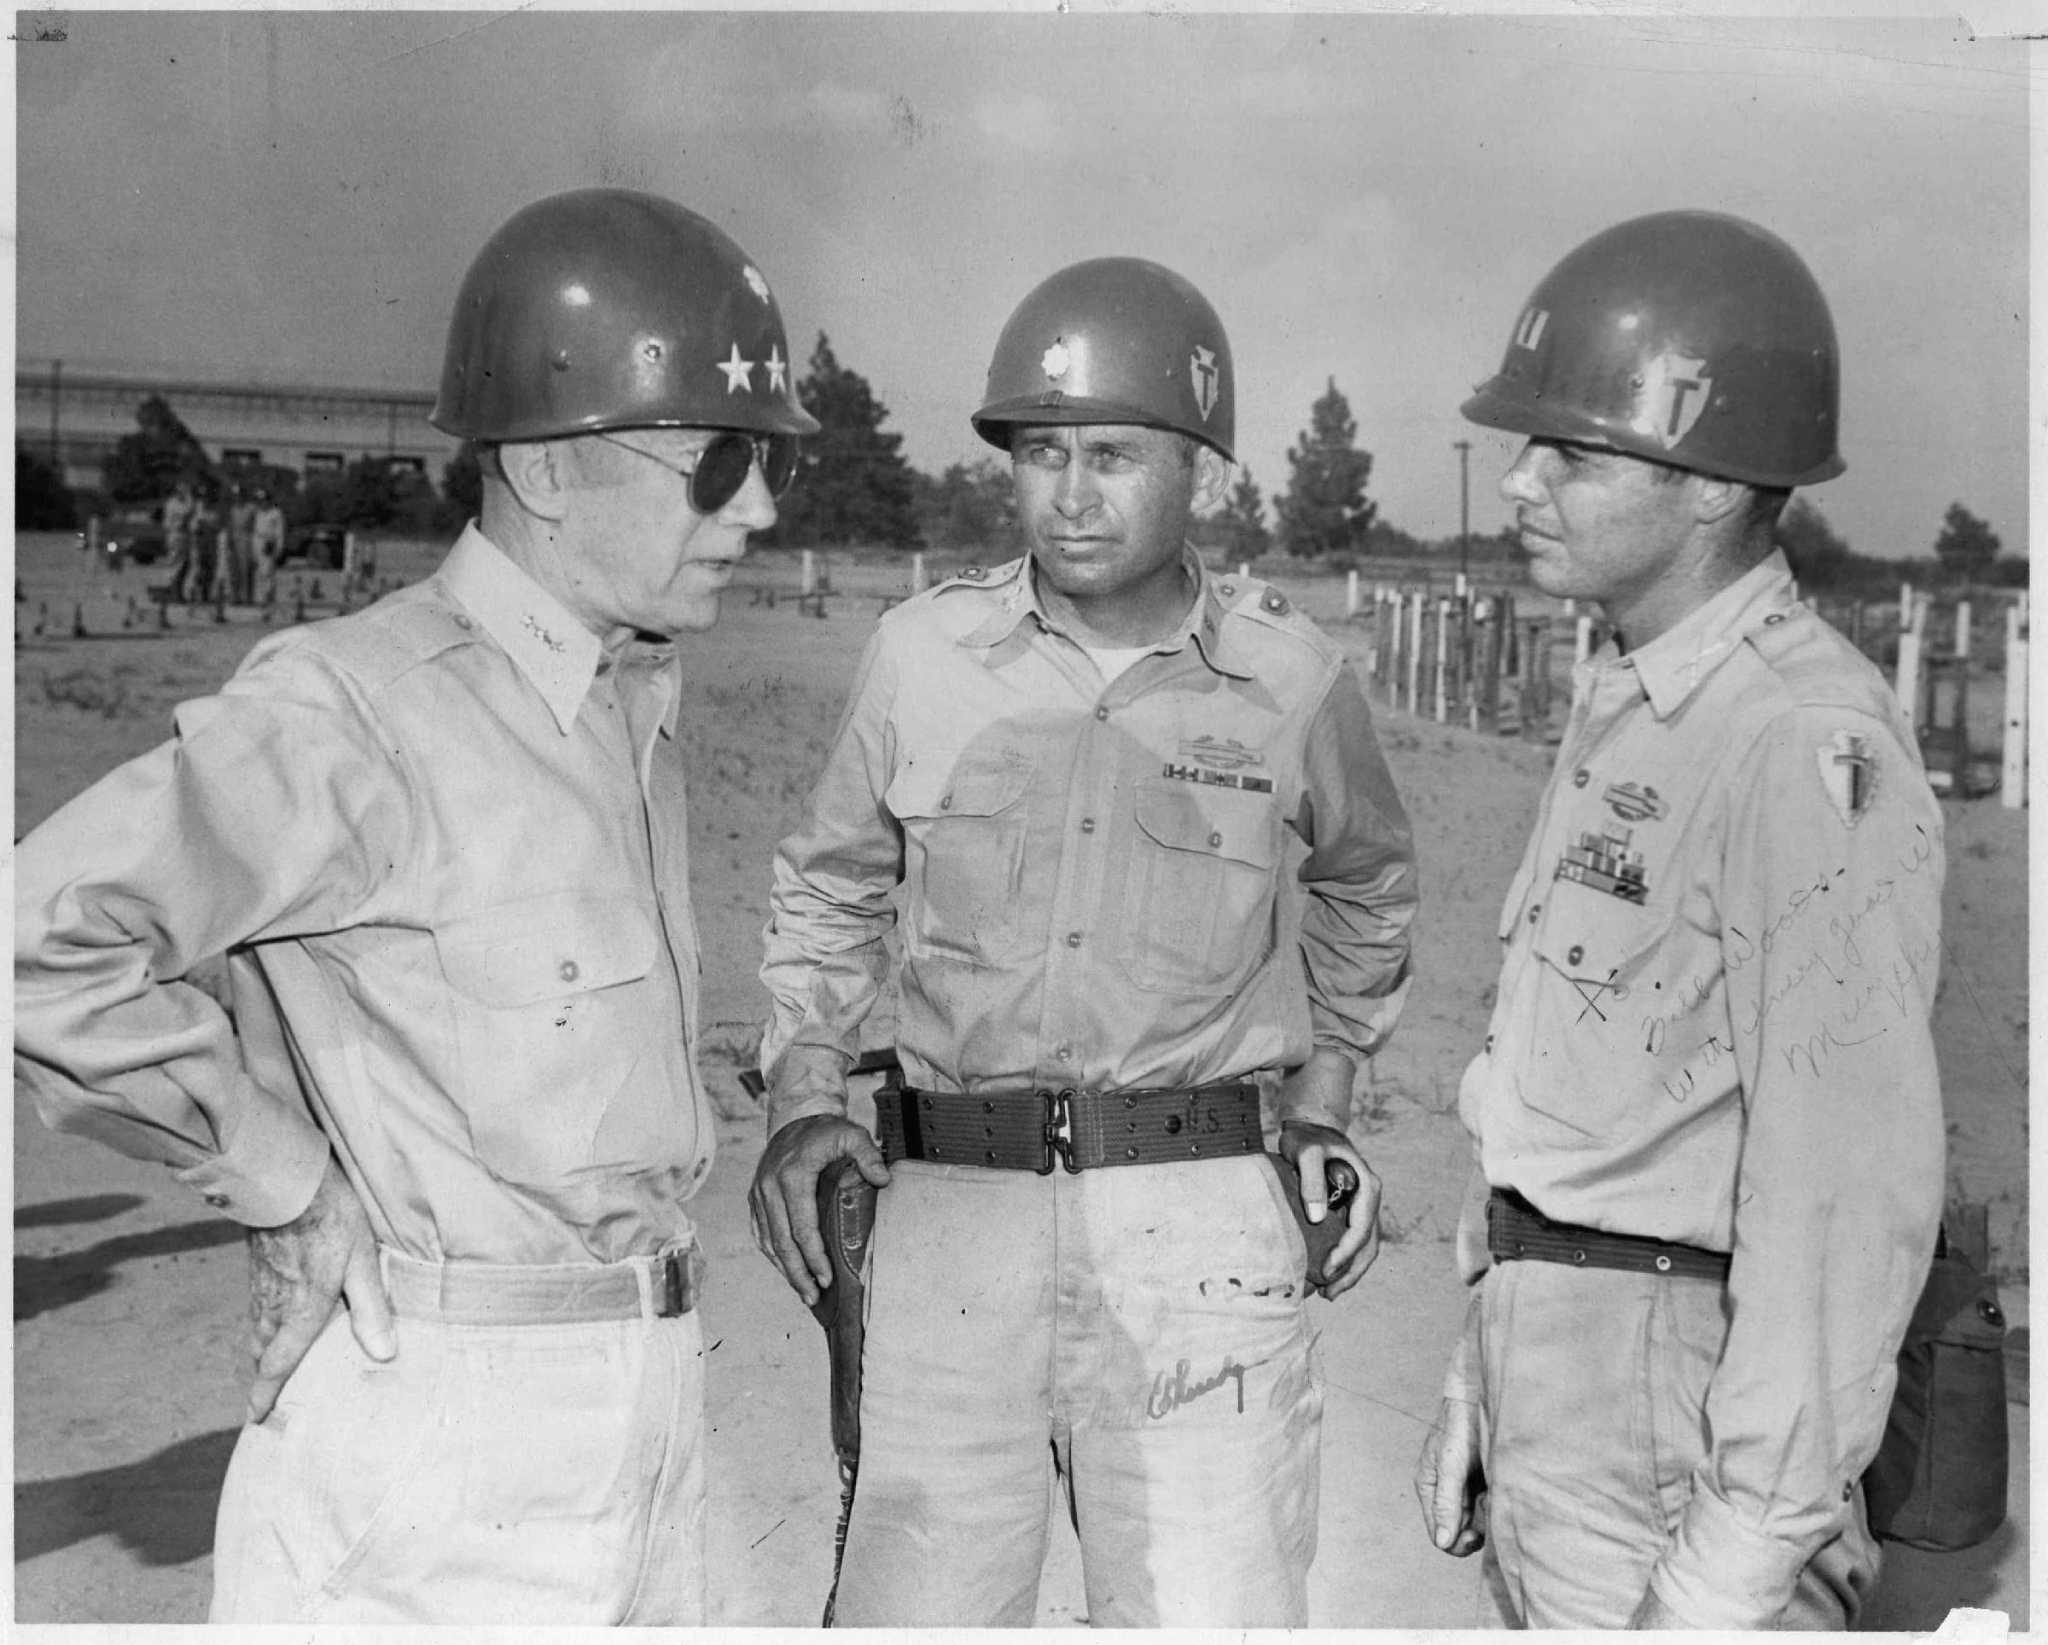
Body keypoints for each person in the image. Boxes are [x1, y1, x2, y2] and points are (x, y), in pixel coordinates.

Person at [14, 186, 818, 1624]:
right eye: (718, 463)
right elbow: (38, 939)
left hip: (647, 1420)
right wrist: (281, 1179)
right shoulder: (359, 709)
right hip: (444, 1448)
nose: (758, 506)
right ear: (551, 472)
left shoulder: (621, 704)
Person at [753, 256, 1418, 1627]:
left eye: (1111, 455)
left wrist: (1332, 1091)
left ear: (1206, 475)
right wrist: (803, 1093)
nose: (1069, 493)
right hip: (951, 1226)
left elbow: (1371, 883)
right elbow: (828, 885)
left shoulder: (1294, 681)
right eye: (1040, 454)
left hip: (1200, 1234)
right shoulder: (921, 657)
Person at [1411, 209, 1946, 1629]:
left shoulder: (1797, 742)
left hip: (1683, 1435)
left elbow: (1845, 1201)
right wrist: (1485, 1364)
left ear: (1711, 484)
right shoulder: (1637, 706)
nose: (1521, 481)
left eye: (1569, 452)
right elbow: (1582, 1111)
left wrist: (1729, 1573)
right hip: (1569, 1397)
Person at [160, 478, 198, 601]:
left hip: (185, 536)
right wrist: (190, 497)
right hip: (176, 535)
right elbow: (187, 511)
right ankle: (173, 592)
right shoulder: (173, 503)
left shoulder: (185, 502)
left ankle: (179, 591)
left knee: (186, 564)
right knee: (176, 565)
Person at [251, 487, 287, 606]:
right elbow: (255, 530)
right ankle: (263, 596)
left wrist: (280, 547)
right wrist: (254, 548)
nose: (262, 502)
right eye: (259, 500)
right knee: (261, 572)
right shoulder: (258, 513)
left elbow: (280, 532)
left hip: (269, 542)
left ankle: (268, 597)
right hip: (258, 542)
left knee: (268, 571)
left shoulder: (276, 513)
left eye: (264, 499)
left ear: (268, 500)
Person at [224, 484, 259, 604]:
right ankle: (235, 596)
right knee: (234, 570)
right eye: (235, 496)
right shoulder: (233, 509)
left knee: (247, 569)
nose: (238, 498)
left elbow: (256, 525)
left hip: (246, 539)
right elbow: (229, 525)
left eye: (239, 495)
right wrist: (229, 540)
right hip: (234, 539)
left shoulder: (251, 508)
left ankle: (248, 597)